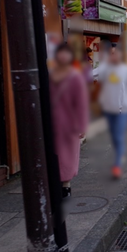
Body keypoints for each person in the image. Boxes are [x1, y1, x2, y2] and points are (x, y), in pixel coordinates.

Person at [49, 44, 89, 198]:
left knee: (67, 156)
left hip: (69, 123)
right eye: (61, 53)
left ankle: (66, 186)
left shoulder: (75, 76)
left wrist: (82, 125)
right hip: (52, 122)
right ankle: (56, 184)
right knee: (54, 153)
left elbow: (81, 104)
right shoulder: (50, 75)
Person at [98, 46, 127, 179]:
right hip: (109, 109)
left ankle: (117, 165)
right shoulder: (105, 69)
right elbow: (92, 76)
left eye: (116, 53)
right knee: (114, 137)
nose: (113, 56)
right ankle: (119, 154)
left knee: (118, 136)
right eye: (111, 54)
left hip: (124, 109)